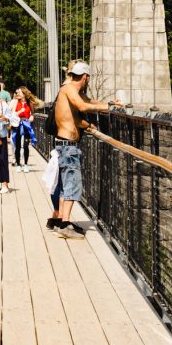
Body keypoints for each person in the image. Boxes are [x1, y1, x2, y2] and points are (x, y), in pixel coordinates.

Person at [48, 61, 116, 239]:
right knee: (72, 184)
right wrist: (108, 107)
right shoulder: (69, 89)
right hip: (68, 146)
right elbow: (83, 106)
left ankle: (62, 221)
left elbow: (89, 101)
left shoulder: (71, 91)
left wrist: (109, 104)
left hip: (65, 145)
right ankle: (65, 224)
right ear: (85, 77)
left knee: (65, 186)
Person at [11, 86, 40, 172]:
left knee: (26, 145)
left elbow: (33, 112)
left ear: (24, 94)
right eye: (17, 92)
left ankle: (26, 165)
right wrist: (19, 112)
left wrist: (32, 117)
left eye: (19, 92)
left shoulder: (29, 103)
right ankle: (18, 164)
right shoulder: (15, 102)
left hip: (27, 125)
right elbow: (12, 113)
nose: (17, 94)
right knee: (18, 145)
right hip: (17, 125)